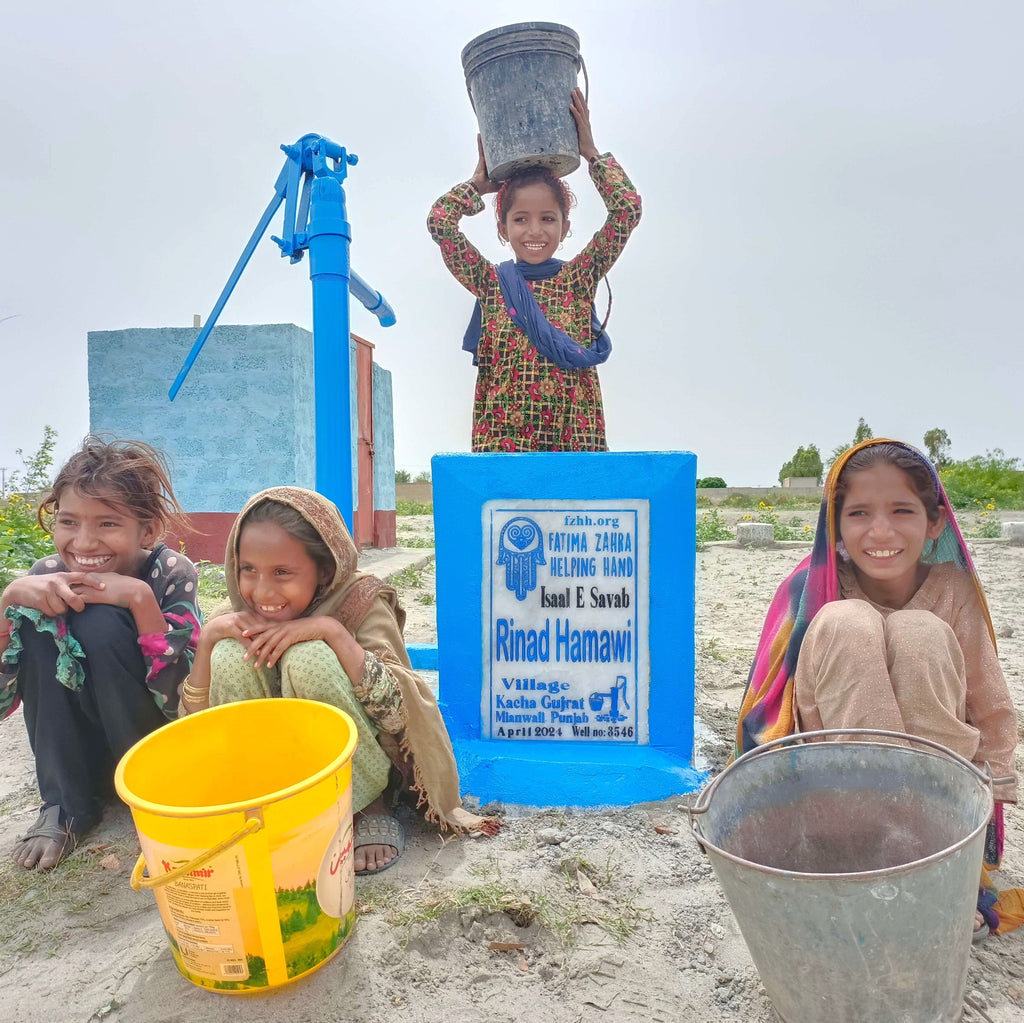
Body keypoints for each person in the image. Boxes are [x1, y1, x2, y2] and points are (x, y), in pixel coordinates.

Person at [736, 438, 1022, 938]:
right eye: (860, 512)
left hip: (935, 805)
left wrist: (986, 806)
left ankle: (934, 867)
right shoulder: (814, 589)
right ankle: (858, 857)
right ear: (837, 526)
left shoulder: (953, 591)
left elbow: (991, 707)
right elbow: (771, 709)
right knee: (848, 622)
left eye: (902, 510)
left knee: (920, 632)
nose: (881, 531)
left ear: (934, 522)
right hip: (835, 791)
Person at [181, 486, 498, 875]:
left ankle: (365, 807)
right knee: (230, 653)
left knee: (308, 657)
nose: (262, 591)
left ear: (325, 569)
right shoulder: (234, 616)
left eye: (283, 572)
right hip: (274, 769)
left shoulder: (360, 604)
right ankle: (258, 803)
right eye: (249, 569)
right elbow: (194, 725)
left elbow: (401, 714)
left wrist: (332, 632)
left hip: (357, 767)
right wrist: (209, 638)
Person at [1, 438, 200, 870]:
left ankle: (150, 794)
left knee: (101, 621)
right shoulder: (44, 577)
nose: (85, 543)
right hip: (82, 755)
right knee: (40, 620)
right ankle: (66, 806)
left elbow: (181, 700)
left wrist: (142, 602)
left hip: (150, 748)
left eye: (108, 524)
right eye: (68, 522)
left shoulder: (169, 575)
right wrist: (8, 602)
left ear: (146, 530)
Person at [427, 88, 642, 452]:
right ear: (503, 228)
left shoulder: (579, 278)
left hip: (575, 443)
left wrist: (590, 152)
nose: (535, 231)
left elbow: (627, 211)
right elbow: (440, 223)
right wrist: (475, 187)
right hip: (504, 449)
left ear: (564, 225)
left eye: (547, 218)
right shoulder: (490, 283)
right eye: (520, 219)